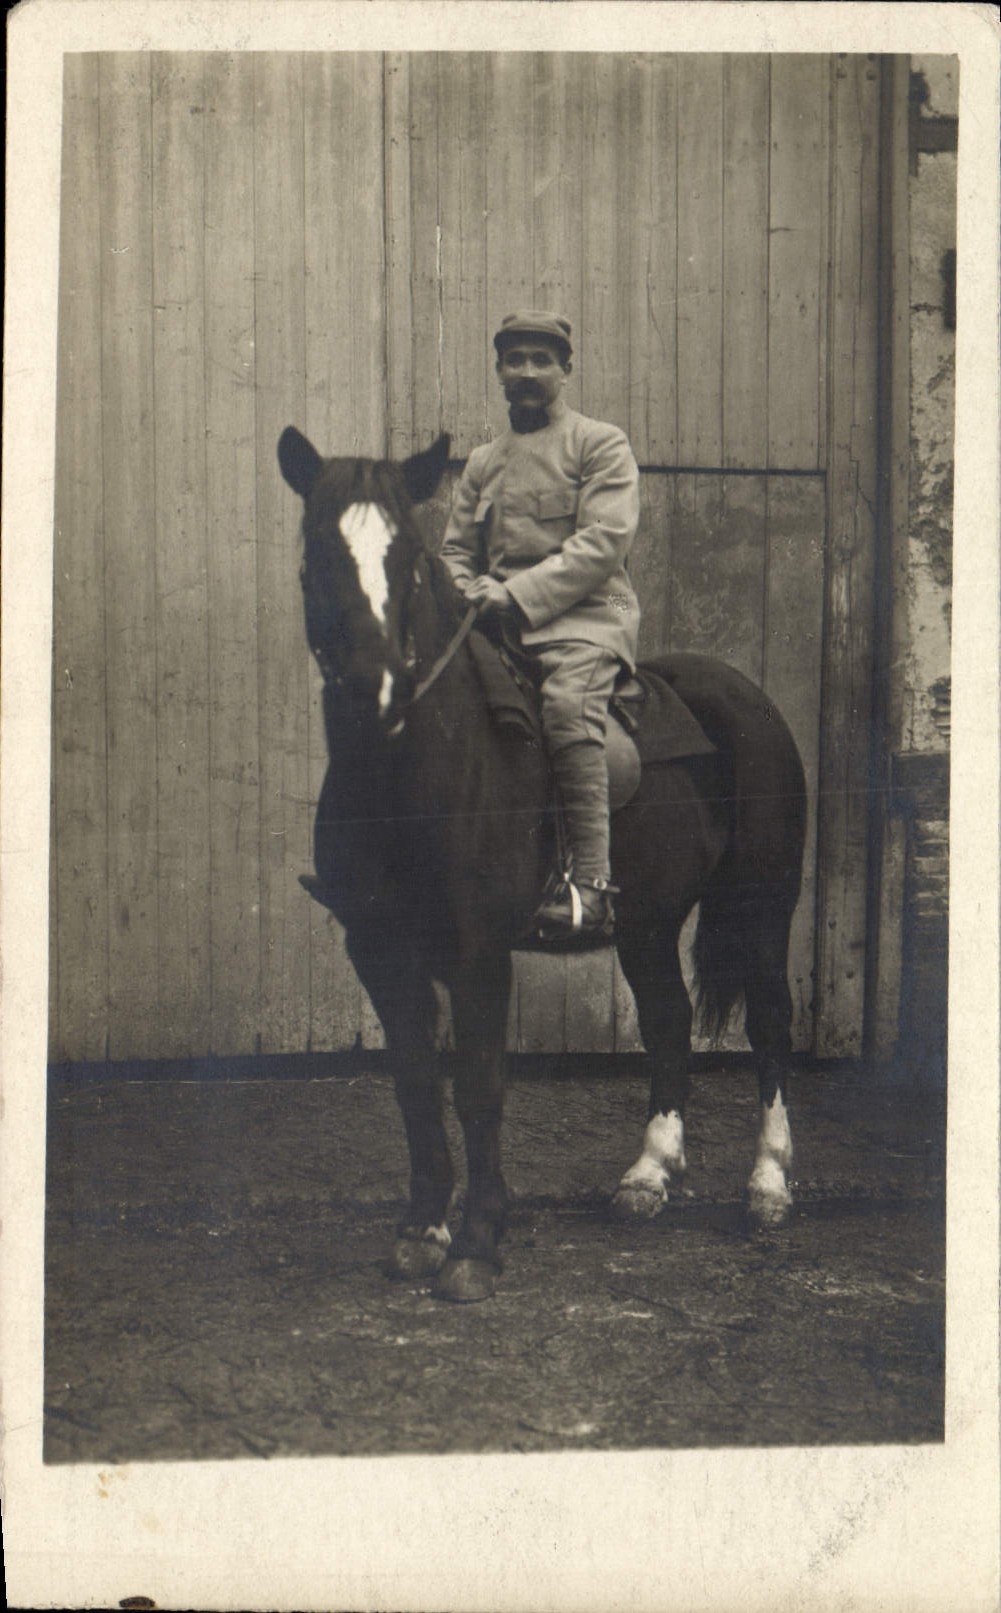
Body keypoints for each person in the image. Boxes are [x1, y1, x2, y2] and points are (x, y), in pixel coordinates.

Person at [440, 310, 641, 941]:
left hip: (584, 621)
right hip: (495, 626)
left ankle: (591, 887)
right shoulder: (481, 462)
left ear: (565, 370)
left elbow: (603, 541)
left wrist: (513, 595)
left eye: (542, 361)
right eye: (514, 360)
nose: (527, 372)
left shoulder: (598, 443)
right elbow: (454, 550)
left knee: (564, 709)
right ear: (499, 372)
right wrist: (468, 589)